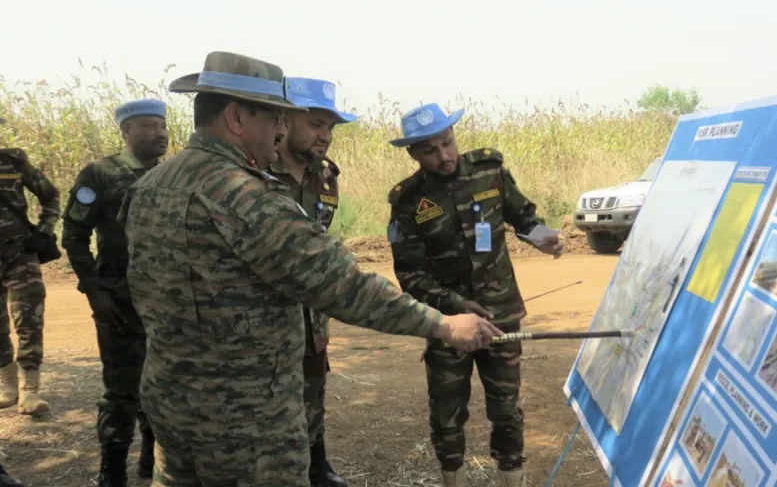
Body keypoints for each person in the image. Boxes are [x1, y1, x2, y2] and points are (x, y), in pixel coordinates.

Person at [117, 51, 501, 486]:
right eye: (274, 119)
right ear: (237, 117)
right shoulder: (243, 195)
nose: (280, 131)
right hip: (245, 420)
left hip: (171, 402)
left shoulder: (150, 186)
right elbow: (342, 285)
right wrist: (445, 326)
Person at [385, 103, 564, 487]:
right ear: (413, 154)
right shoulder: (408, 201)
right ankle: (454, 479)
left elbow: (523, 217)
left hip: (501, 314)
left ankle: (512, 478)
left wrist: (542, 236)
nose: (444, 155)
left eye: (447, 143)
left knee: (506, 408)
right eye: (430, 150)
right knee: (448, 411)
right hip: (448, 324)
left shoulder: (489, 170)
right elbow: (410, 274)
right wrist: (454, 305)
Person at [61, 99, 169, 485]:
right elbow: (73, 234)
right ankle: (112, 471)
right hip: (119, 302)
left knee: (163, 384)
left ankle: (151, 460)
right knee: (123, 389)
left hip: (164, 302)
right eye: (148, 125)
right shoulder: (100, 174)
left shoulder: (171, 175)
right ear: (126, 131)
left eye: (162, 125)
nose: (160, 133)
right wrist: (94, 291)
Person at [268, 77, 357, 487]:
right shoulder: (254, 173)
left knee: (314, 386)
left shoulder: (326, 178)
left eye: (331, 127)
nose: (325, 136)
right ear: (284, 120)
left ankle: (317, 464)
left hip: (311, 315)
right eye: (317, 123)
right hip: (267, 318)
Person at [0, 116, 61, 417]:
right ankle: (7, 385)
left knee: (28, 318)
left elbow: (51, 196)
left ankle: (31, 390)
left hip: (20, 255)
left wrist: (44, 231)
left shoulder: (13, 163)